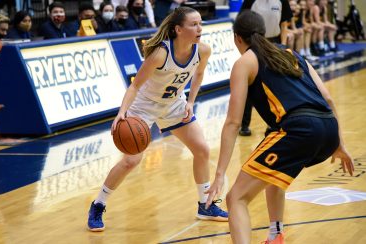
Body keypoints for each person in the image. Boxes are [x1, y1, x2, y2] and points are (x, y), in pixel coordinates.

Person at [205, 10, 354, 244]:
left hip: (299, 129)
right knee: (273, 174)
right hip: (327, 128)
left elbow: (233, 122)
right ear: (264, 32)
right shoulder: (290, 52)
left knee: (236, 198)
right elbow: (329, 99)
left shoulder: (244, 63)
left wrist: (219, 174)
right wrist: (339, 144)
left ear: (237, 38)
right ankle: (275, 236)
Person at [87, 6, 228, 232]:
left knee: (202, 149)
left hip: (174, 104)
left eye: (201, 23)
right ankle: (98, 204)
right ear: (178, 30)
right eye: (194, 24)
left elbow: (199, 74)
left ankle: (205, 205)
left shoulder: (203, 50)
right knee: (131, 161)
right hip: (144, 107)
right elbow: (135, 85)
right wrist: (122, 111)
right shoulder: (161, 53)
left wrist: (190, 102)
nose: (200, 28)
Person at [239, 0, 293, 136]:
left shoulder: (281, 1)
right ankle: (244, 125)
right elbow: (242, 21)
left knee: (277, 84)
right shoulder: (251, 1)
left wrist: (284, 46)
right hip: (255, 42)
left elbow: (284, 24)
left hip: (275, 43)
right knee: (250, 83)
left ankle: (274, 124)